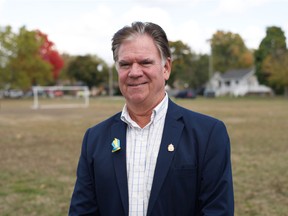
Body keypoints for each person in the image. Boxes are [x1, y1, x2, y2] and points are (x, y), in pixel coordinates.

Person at [69, 21, 234, 216]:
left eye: (145, 62)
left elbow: (217, 211)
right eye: (125, 64)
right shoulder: (94, 139)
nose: (134, 72)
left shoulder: (208, 134)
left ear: (166, 68)